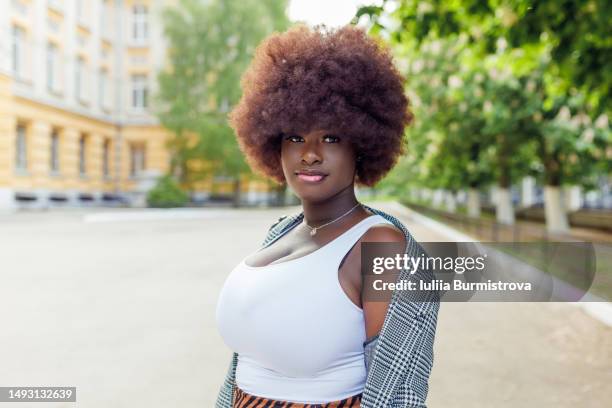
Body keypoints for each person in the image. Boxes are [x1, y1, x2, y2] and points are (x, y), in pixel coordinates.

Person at [215, 24, 439, 407]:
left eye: (331, 137)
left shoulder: (381, 245)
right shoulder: (280, 233)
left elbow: (397, 392)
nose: (310, 153)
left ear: (363, 145)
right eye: (295, 137)